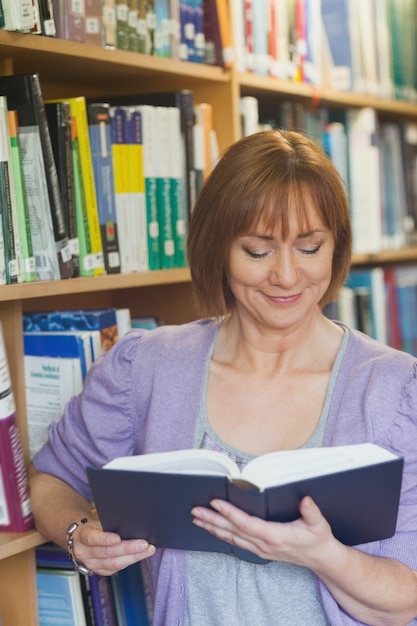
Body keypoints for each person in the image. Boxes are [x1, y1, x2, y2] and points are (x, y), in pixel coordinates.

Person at [29, 129, 417, 626]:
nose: (286, 276)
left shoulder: (395, 391)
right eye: (258, 251)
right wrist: (79, 532)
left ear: (336, 247)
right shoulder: (147, 367)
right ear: (219, 249)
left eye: (310, 247)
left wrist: (324, 555)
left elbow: (406, 597)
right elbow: (50, 477)